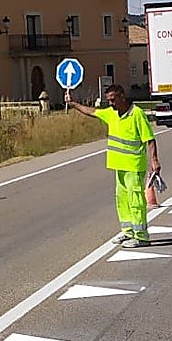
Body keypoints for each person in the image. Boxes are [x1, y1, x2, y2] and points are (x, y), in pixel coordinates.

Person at [65, 84, 161, 248]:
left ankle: (142, 236)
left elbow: (149, 139)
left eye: (113, 99)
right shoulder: (111, 114)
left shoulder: (136, 114)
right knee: (122, 200)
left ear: (122, 97)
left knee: (135, 200)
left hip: (133, 166)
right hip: (119, 166)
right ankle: (128, 231)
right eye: (108, 100)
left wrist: (154, 161)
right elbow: (92, 112)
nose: (110, 103)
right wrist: (73, 104)